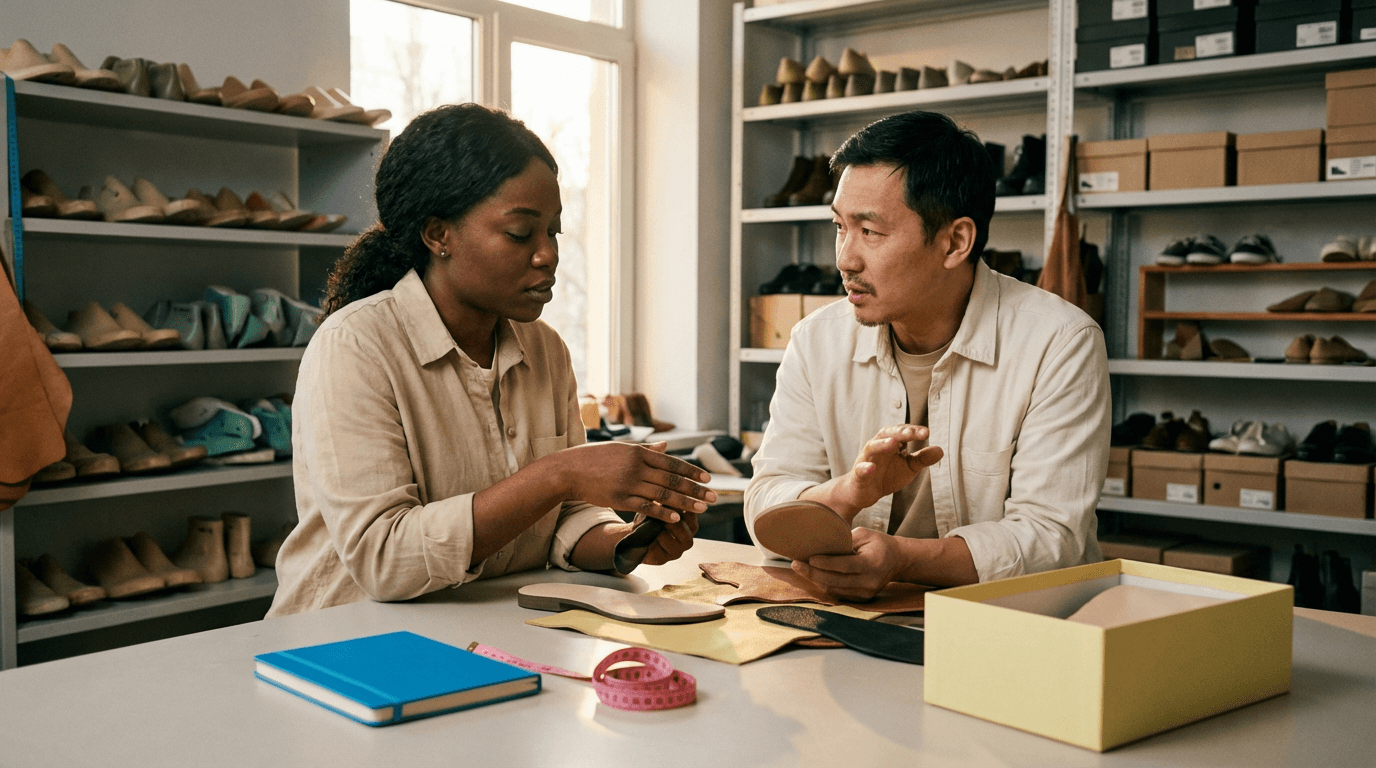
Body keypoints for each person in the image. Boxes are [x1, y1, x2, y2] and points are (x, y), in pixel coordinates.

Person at [268, 104, 715, 617]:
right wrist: (558, 474)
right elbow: (386, 559)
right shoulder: (355, 346)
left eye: (554, 232)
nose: (547, 254)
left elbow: (563, 517)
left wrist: (625, 541)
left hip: (486, 632)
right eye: (521, 234)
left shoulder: (544, 350)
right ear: (438, 235)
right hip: (343, 645)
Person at [745, 110, 1109, 600]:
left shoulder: (1060, 343)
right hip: (857, 619)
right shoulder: (816, 340)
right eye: (839, 227)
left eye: (870, 232)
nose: (845, 258)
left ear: (955, 241)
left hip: (1014, 626)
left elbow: (1051, 536)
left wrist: (901, 559)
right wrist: (851, 491)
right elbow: (765, 501)